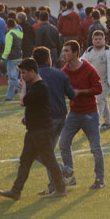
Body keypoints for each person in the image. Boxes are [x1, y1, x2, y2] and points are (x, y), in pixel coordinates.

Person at [0, 58, 68, 200]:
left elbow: (23, 101)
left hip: (41, 131)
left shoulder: (40, 87)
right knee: (25, 160)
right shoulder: (36, 86)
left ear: (32, 71)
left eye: (23, 73)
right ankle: (16, 190)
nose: (22, 76)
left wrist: (23, 87)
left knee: (49, 160)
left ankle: (61, 188)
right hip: (34, 130)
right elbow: (35, 107)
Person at [59, 40, 106, 190]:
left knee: (95, 148)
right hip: (74, 113)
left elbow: (98, 89)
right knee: (63, 143)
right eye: (63, 51)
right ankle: (69, 176)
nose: (64, 54)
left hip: (90, 113)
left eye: (67, 51)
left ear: (75, 53)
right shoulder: (64, 71)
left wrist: (81, 92)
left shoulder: (88, 68)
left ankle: (100, 179)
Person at [32, 47, 77, 196]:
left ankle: (65, 171)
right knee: (47, 151)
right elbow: (71, 95)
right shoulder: (60, 74)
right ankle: (54, 186)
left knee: (39, 152)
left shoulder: (33, 77)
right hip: (60, 118)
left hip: (44, 120)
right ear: (48, 59)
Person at [1, 19, 24, 102]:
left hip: (13, 58)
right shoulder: (20, 33)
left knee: (12, 79)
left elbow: (7, 48)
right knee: (12, 77)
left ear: (7, 26)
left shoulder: (9, 34)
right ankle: (9, 96)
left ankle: (26, 90)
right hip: (19, 56)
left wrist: (2, 58)